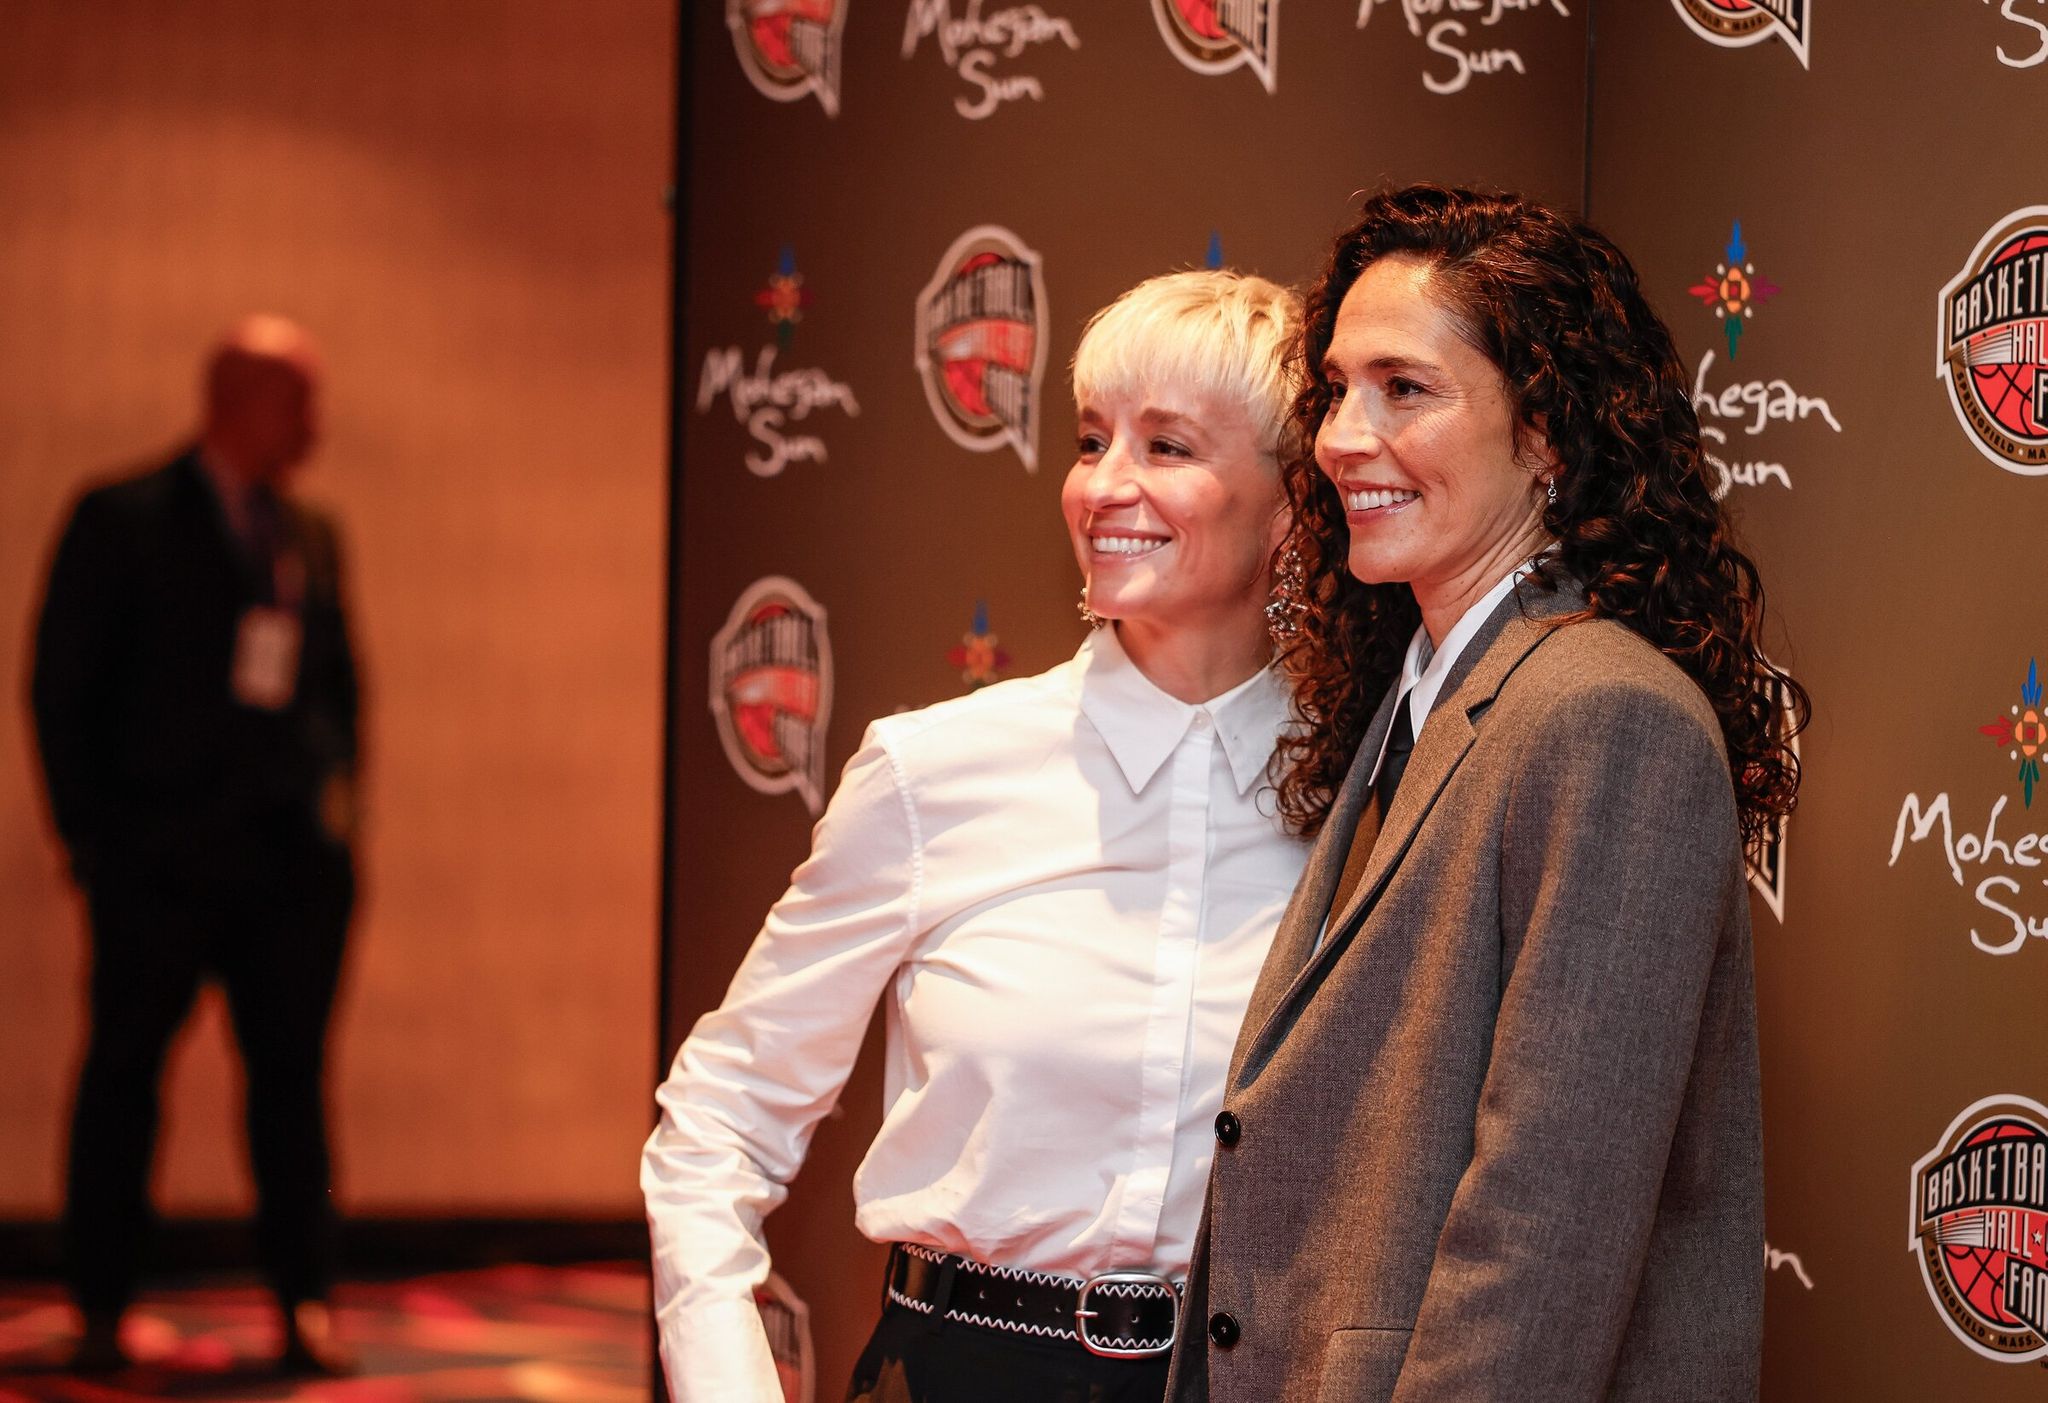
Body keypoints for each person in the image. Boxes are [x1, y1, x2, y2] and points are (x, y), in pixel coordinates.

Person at [1168, 186, 1808, 1403]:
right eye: (1337, 389)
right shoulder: (1422, 696)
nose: (1342, 437)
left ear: (1545, 433)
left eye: (1403, 389)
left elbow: (1544, 1226)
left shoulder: (1603, 715)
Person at [643, 269, 1307, 1403]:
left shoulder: (1367, 799)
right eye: (1091, 438)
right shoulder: (932, 772)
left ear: (1292, 504)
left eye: (1167, 446)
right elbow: (718, 1118)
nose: (1103, 485)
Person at [31, 315, 361, 1376]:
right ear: (234, 397)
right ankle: (98, 1302)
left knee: (291, 1092)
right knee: (123, 1081)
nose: (312, 423)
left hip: (284, 876)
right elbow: (60, 687)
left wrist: (337, 822)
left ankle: (305, 1300)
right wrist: (93, 840)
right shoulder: (122, 517)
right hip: (157, 866)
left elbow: (339, 695)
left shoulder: (308, 533)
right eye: (295, 399)